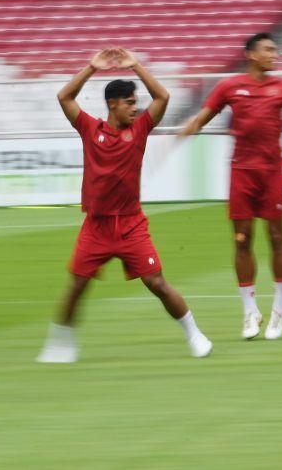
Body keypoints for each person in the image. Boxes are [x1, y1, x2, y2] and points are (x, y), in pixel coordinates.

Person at [37, 48, 213, 363]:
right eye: (130, 102)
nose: (135, 108)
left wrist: (136, 66)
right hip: (97, 226)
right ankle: (61, 344)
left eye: (136, 103)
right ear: (113, 104)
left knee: (156, 282)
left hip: (131, 224)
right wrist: (92, 67)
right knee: (77, 286)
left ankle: (195, 335)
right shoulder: (90, 129)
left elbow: (163, 97)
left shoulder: (140, 130)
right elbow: (64, 97)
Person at [180, 33, 282, 340]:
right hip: (241, 172)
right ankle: (250, 311)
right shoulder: (229, 86)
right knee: (242, 240)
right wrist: (185, 131)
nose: (275, 55)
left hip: (272, 173)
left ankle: (280, 308)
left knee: (277, 237)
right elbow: (204, 116)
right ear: (250, 54)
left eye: (276, 50)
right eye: (268, 50)